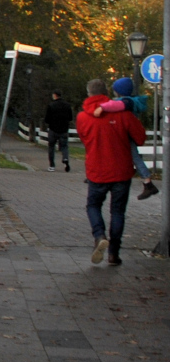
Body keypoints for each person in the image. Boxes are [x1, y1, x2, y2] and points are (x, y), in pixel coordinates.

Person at [76, 78, 146, 266]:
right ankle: (114, 253)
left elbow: (84, 140)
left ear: (89, 93)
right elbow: (140, 139)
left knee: (93, 206)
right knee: (118, 212)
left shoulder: (82, 117)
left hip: (96, 170)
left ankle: (99, 235)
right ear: (107, 92)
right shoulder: (124, 114)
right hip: (121, 171)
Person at [90, 76, 159, 200]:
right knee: (133, 156)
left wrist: (102, 107)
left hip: (126, 133)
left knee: (134, 157)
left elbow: (116, 105)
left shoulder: (127, 102)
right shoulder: (130, 101)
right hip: (126, 132)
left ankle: (148, 183)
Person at [44, 90, 72, 172]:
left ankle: (52, 165)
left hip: (53, 129)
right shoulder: (67, 105)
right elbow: (70, 118)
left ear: (55, 95)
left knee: (51, 147)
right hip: (64, 129)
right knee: (64, 146)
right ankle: (65, 158)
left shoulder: (51, 105)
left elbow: (47, 119)